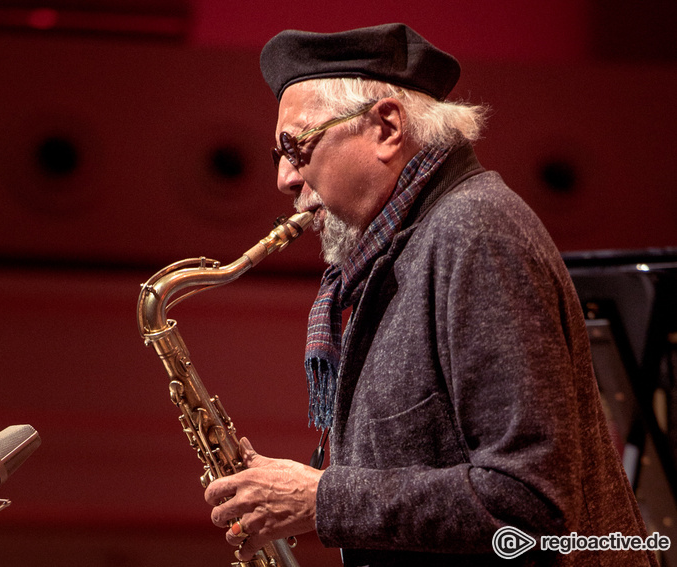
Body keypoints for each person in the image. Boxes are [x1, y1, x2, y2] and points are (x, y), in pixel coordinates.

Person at [204, 23, 656, 566]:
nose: (284, 177)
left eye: (296, 147)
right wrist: (298, 487)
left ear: (387, 127)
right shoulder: (407, 249)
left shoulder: (476, 233)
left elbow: (530, 506)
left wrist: (319, 498)